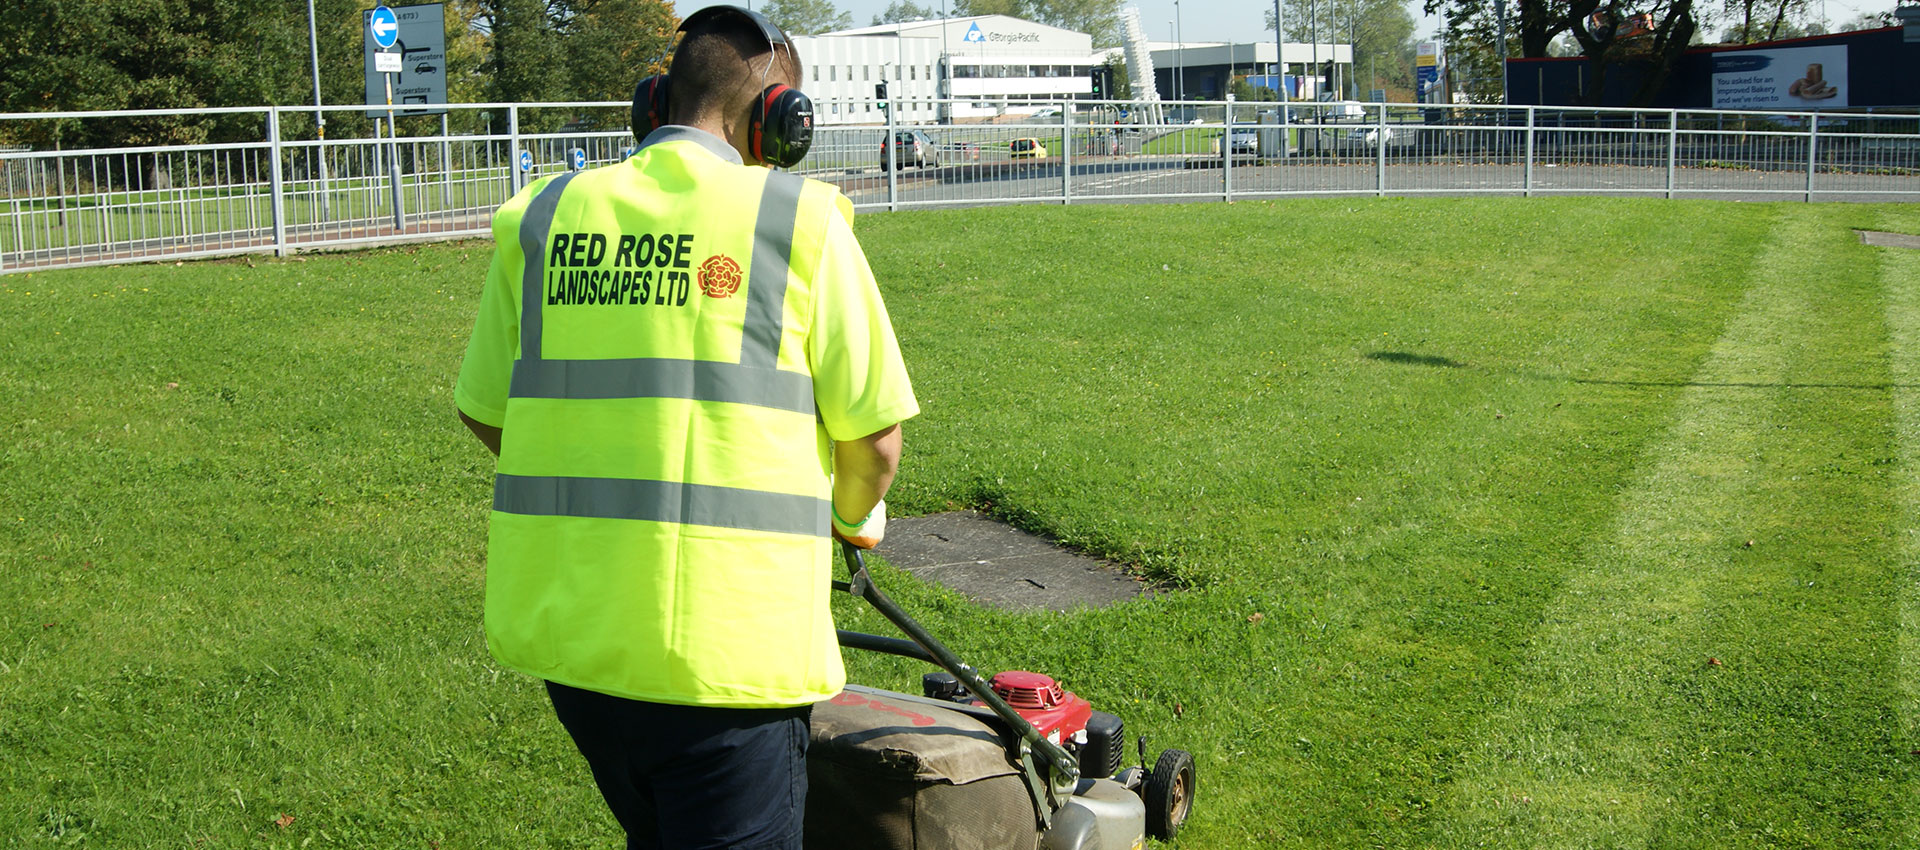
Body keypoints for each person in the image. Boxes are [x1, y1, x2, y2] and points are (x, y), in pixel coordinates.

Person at [452, 6, 918, 848]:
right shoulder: (800, 222)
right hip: (729, 670)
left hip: (579, 654)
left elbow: (488, 411)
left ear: (656, 100)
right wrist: (850, 518)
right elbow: (875, 442)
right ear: (780, 120)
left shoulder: (547, 217)